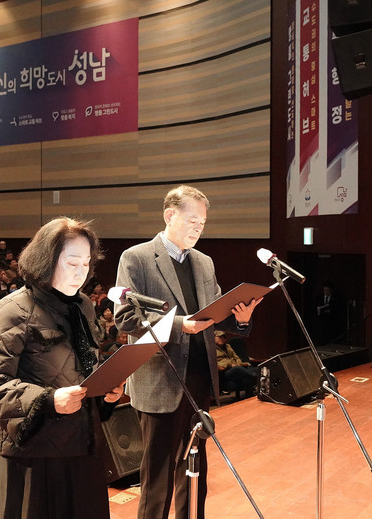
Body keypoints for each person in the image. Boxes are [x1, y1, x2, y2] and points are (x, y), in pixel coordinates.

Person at [114, 185, 261, 519]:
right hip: (160, 379)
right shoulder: (136, 258)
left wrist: (241, 320)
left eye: (203, 223)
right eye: (193, 220)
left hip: (199, 378)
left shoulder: (204, 262)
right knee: (158, 480)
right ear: (169, 215)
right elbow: (126, 318)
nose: (198, 228)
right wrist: (181, 325)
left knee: (195, 473)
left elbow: (215, 313)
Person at [0, 217, 124, 519]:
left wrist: (105, 393)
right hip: (34, 455)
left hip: (82, 445)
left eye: (86, 264)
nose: (81, 273)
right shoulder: (13, 308)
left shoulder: (83, 305)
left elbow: (84, 365)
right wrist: (48, 399)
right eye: (72, 263)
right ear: (45, 261)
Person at [215, 331, 257, 398]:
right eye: (220, 337)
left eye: (223, 337)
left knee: (252, 370)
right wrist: (230, 365)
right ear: (214, 337)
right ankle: (256, 376)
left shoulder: (227, 346)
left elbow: (236, 357)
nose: (222, 339)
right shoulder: (212, 349)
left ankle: (249, 397)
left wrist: (239, 364)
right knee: (237, 369)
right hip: (224, 372)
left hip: (236, 368)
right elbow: (216, 363)